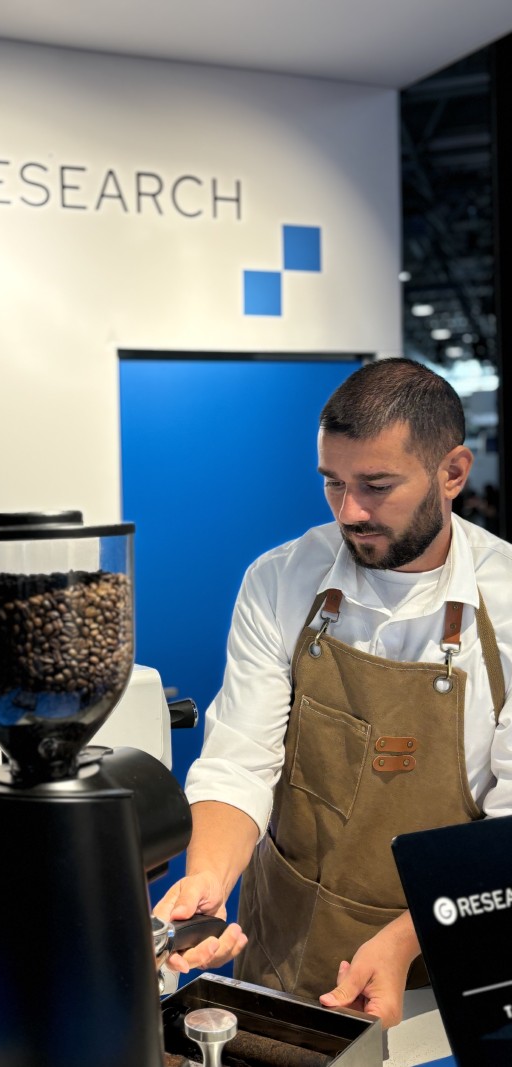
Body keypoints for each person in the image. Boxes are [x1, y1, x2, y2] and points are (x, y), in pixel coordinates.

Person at [155, 357, 512, 1029]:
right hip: (292, 958)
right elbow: (240, 761)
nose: (350, 510)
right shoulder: (281, 580)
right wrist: (207, 882)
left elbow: (510, 830)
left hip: (450, 969)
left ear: (453, 473)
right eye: (332, 483)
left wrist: (405, 940)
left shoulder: (509, 602)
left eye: (376, 485)